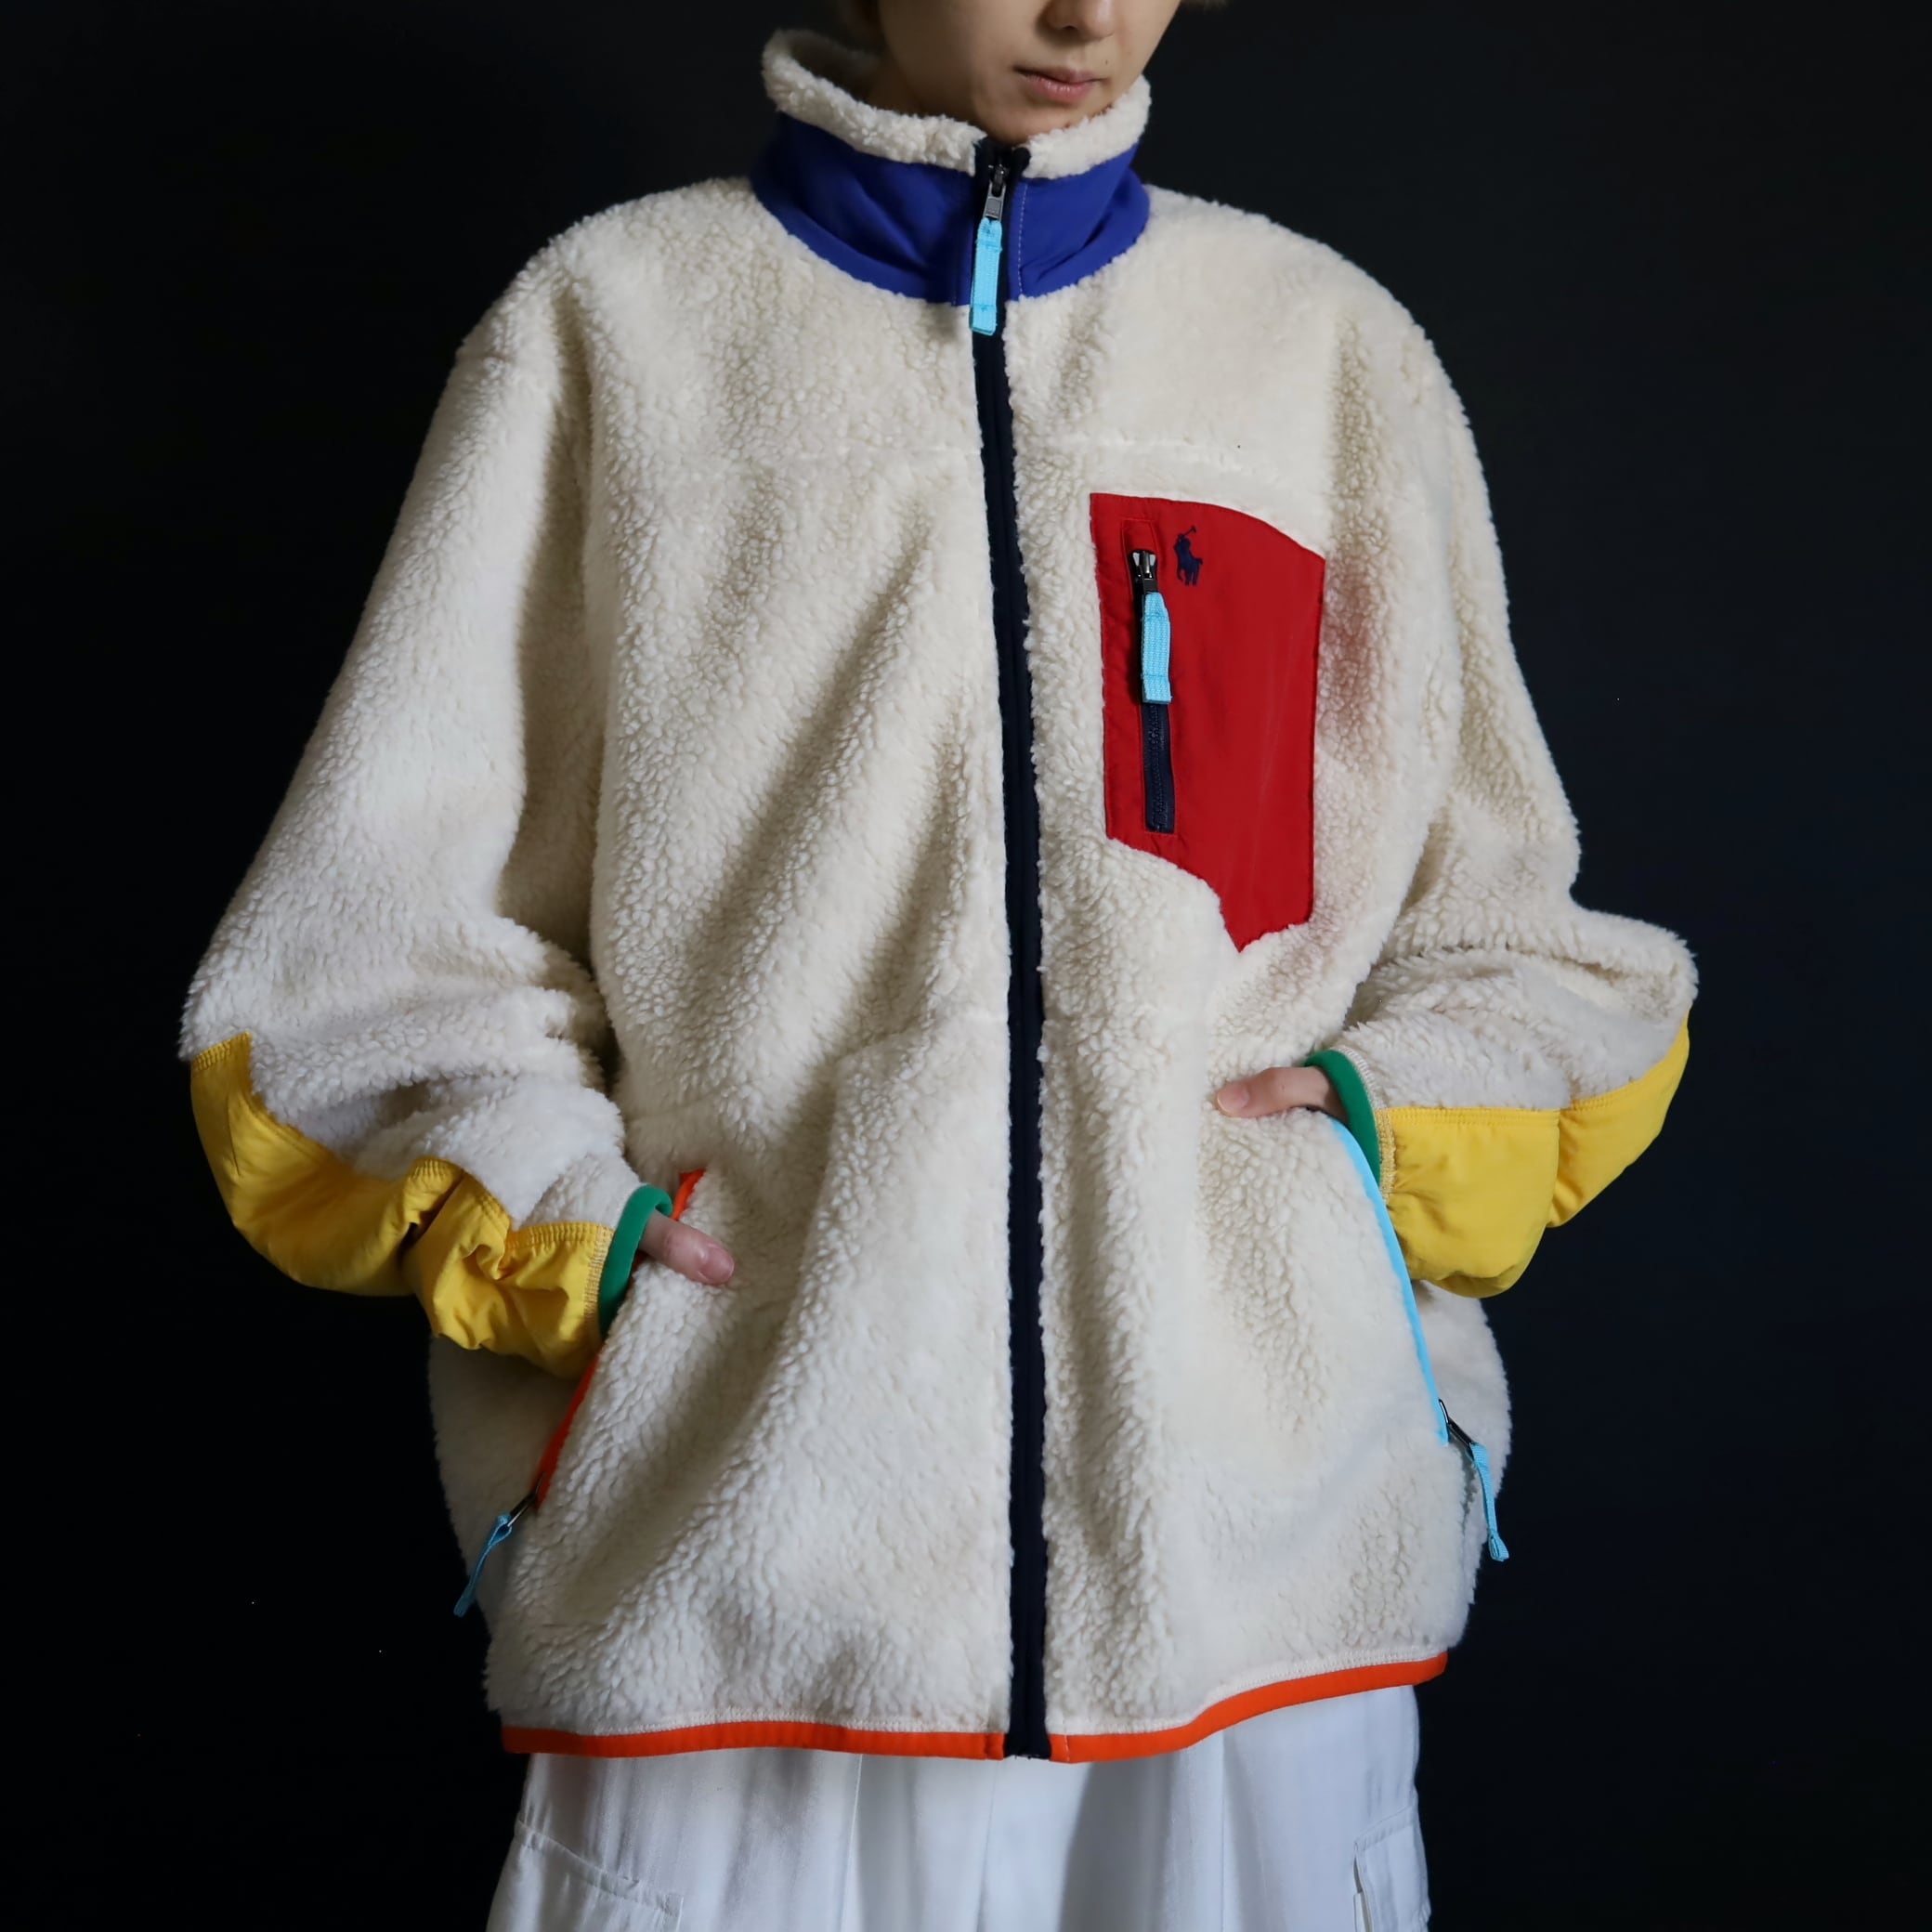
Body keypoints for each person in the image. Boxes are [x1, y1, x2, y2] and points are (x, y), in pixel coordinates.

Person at [179, 3, 1696, 1925]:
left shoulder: (1315, 351)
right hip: (740, 1557)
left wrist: (1354, 1164)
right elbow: (357, 960)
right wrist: (586, 1245)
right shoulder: (612, 330)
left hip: (1250, 1569)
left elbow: (1512, 934)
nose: (1086, 17)